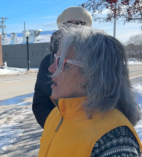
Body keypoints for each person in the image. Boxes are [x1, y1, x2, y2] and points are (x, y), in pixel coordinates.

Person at [38, 26, 142, 157]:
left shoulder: (115, 140)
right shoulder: (56, 115)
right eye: (55, 59)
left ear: (92, 72)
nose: (51, 68)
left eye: (60, 62)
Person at [33, 6, 93, 128]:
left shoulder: (97, 58)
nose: (74, 28)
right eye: (69, 24)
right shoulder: (49, 62)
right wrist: (57, 128)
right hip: (60, 126)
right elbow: (41, 101)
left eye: (80, 24)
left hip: (93, 125)